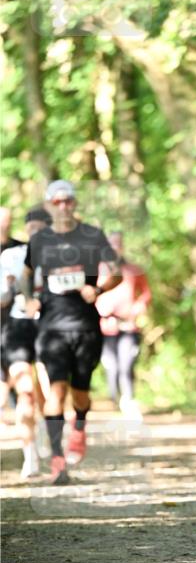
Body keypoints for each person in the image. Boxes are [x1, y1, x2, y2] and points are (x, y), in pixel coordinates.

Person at [24, 179, 121, 485]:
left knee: (80, 395)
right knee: (56, 393)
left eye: (68, 201)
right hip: (52, 327)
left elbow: (116, 271)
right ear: (49, 205)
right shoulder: (40, 240)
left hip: (86, 327)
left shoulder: (91, 234)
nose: (63, 206)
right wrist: (28, 298)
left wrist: (99, 288)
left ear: (74, 203)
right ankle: (57, 460)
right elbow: (28, 273)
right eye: (57, 201)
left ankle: (79, 426)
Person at [0, 207, 52, 477]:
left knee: (47, 390)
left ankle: (46, 432)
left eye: (41, 229)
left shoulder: (60, 255)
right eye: (31, 229)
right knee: (25, 391)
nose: (35, 234)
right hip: (18, 328)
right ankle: (29, 454)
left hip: (48, 327)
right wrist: (10, 288)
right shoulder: (11, 256)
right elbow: (2, 299)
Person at [96, 231, 151, 419]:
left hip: (128, 326)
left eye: (118, 244)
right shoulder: (97, 269)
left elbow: (146, 294)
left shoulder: (133, 269)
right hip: (105, 327)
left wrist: (137, 309)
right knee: (111, 365)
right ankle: (115, 398)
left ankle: (128, 399)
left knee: (126, 364)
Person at [0, 206, 26, 413]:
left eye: (7, 219)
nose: (4, 223)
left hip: (16, 318)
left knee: (17, 363)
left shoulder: (21, 248)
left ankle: (19, 407)